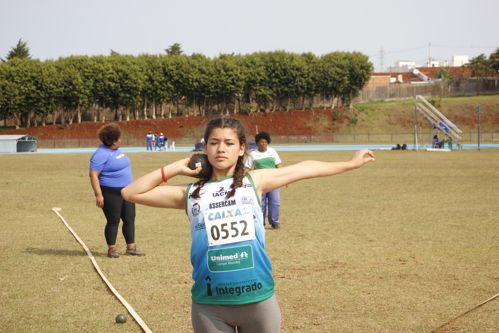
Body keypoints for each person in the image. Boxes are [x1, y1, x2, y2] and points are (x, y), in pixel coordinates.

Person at [121, 117, 374, 333]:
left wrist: (350, 164)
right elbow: (131, 192)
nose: (221, 149)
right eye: (214, 143)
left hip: (258, 301)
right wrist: (176, 167)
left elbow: (306, 168)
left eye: (229, 143)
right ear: (204, 148)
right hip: (209, 307)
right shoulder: (190, 193)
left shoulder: (255, 181)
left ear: (242, 148)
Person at [89, 123, 144, 258]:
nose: (121, 140)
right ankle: (111, 249)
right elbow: (93, 175)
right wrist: (98, 195)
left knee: (129, 218)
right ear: (112, 141)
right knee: (113, 220)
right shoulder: (100, 155)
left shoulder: (116, 150)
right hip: (110, 192)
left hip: (128, 191)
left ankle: (131, 247)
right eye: (118, 138)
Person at [245, 131, 283, 229]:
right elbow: (247, 168)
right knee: (260, 203)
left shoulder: (273, 151)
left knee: (275, 202)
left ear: (268, 142)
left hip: (274, 181)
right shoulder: (253, 154)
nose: (263, 144)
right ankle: (260, 223)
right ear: (257, 143)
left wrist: (284, 178)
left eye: (265, 142)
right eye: (261, 142)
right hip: (259, 182)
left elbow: (279, 165)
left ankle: (274, 222)